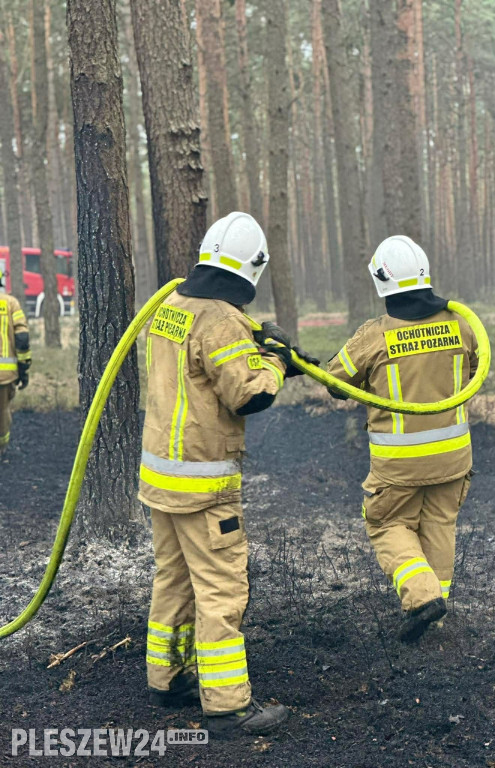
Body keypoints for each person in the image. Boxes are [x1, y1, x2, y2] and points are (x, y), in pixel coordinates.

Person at [139, 212, 318, 736]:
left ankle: (166, 678)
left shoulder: (170, 306)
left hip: (163, 480)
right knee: (221, 590)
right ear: (253, 268)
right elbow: (249, 394)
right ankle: (228, 706)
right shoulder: (221, 320)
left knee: (172, 580)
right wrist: (277, 363)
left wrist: (261, 348)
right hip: (204, 483)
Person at [326, 236, 478, 643]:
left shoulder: (374, 336)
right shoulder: (461, 323)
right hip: (453, 459)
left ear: (381, 281)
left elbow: (335, 383)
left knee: (387, 523)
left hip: (399, 467)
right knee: (440, 526)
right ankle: (437, 618)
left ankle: (423, 597)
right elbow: (474, 368)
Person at [0, 270, 31, 454]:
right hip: (4, 375)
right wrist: (24, 367)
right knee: (2, 413)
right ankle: (2, 450)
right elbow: (22, 338)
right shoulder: (10, 303)